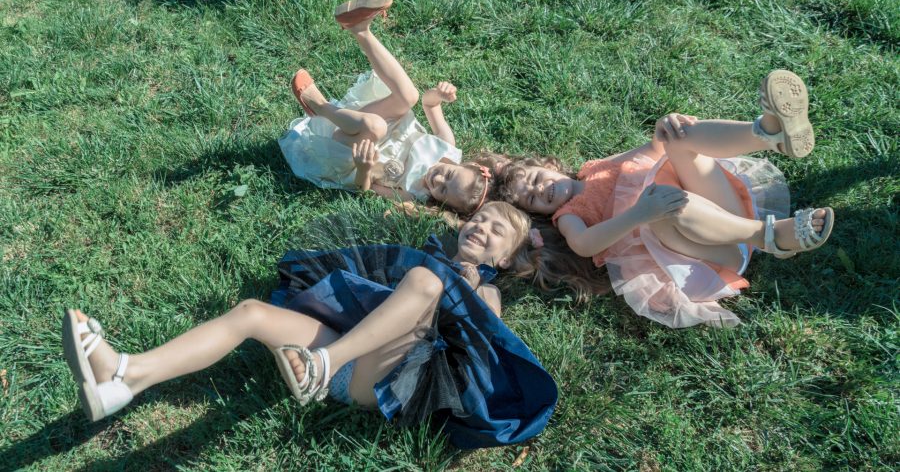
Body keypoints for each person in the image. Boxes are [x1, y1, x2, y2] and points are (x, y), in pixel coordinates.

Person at [61, 202, 556, 448]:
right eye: (480, 218)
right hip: (339, 349)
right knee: (251, 312)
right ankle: (124, 377)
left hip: (382, 379)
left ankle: (323, 365)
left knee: (427, 283)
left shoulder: (486, 291)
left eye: (496, 231)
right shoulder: (421, 257)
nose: (481, 227)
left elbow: (481, 342)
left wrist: (469, 288)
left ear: (505, 259)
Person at [492, 70, 835, 327]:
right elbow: (583, 245)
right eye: (532, 199)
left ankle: (768, 134)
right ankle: (771, 236)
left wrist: (664, 125)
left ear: (550, 166)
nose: (539, 190)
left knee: (677, 138)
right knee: (662, 203)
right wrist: (639, 213)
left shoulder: (595, 168)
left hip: (723, 208)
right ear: (540, 213)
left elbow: (653, 146)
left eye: (535, 180)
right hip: (711, 252)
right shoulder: (568, 214)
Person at [280, 0, 491, 215]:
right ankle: (359, 29)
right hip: (374, 121)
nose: (438, 180)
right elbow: (430, 105)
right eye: (448, 175)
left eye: (443, 191)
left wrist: (364, 168)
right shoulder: (447, 145)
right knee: (410, 96)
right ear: (467, 165)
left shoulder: (414, 194)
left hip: (350, 149)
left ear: (443, 204)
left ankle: (319, 106)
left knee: (376, 126)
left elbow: (366, 189)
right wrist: (439, 95)